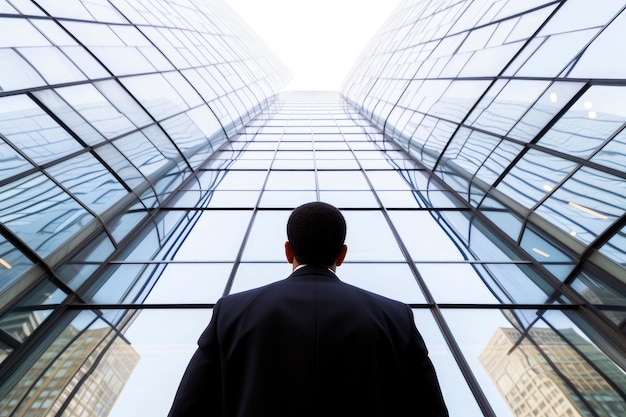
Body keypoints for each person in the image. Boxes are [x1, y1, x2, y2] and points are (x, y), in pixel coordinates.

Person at [167, 201, 448, 417]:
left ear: (289, 251)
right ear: (342, 254)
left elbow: (188, 410)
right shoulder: (395, 317)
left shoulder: (231, 312)